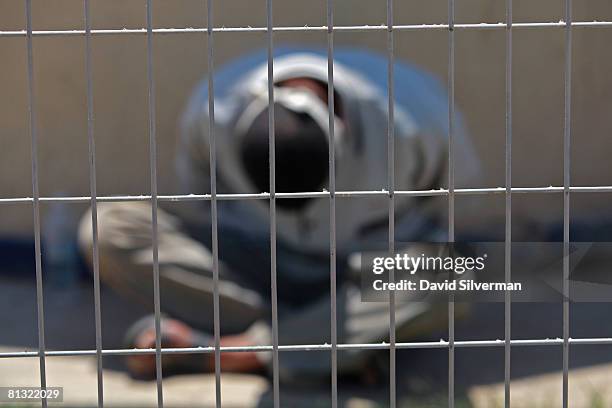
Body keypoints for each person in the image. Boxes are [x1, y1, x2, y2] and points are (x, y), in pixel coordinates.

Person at [78, 47, 479, 381]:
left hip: (366, 270)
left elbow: (452, 205)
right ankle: (330, 345)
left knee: (458, 273)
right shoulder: (211, 113)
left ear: (342, 132)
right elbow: (201, 201)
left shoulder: (416, 116)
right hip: (260, 264)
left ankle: (231, 352)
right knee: (108, 229)